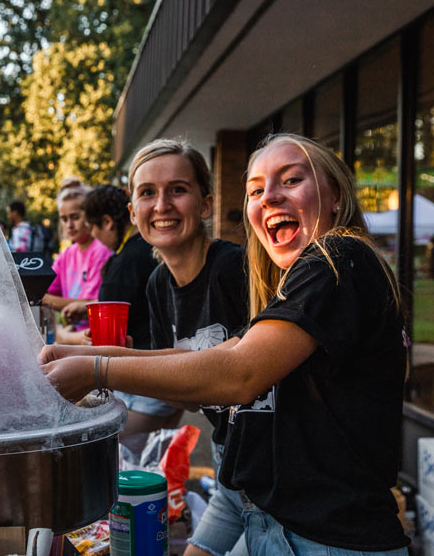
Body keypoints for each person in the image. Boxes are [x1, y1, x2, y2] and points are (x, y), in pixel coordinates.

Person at [39, 133, 410, 553]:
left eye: (290, 180)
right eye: (256, 189)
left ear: (336, 196)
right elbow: (213, 358)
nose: (269, 197)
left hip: (328, 535)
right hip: (260, 503)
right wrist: (85, 354)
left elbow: (237, 374)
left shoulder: (337, 258)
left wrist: (94, 369)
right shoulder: (283, 278)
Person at [59, 139, 250, 554]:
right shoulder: (158, 284)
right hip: (231, 467)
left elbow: (236, 377)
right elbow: (190, 394)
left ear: (206, 204)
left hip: (276, 479)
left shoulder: (235, 268)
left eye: (177, 190)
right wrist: (124, 356)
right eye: (147, 193)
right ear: (133, 212)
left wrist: (105, 366)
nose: (161, 204)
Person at [78, 184, 181, 437]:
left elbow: (107, 327)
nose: (94, 237)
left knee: (100, 439)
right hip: (174, 376)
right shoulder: (154, 251)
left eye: (93, 228)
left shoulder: (123, 263)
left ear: (107, 222)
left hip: (145, 386)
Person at [42, 181, 112, 344]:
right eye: (64, 219)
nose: (69, 225)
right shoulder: (66, 254)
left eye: (75, 217)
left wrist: (45, 299)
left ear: (89, 215)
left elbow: (91, 304)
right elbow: (45, 287)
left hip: (95, 338)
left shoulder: (100, 250)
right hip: (73, 337)